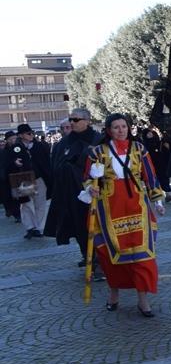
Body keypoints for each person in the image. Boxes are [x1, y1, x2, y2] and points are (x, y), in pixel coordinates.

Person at [85, 114, 166, 315]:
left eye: (124, 126)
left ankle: (143, 299)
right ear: (108, 130)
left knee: (142, 255)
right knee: (110, 255)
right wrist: (90, 188)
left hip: (137, 207)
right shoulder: (98, 152)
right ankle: (114, 293)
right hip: (110, 208)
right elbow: (87, 178)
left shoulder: (139, 149)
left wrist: (158, 200)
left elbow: (151, 176)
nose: (121, 130)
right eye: (116, 127)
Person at [44, 108, 103, 271]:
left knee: (98, 226)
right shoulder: (64, 143)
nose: (72, 123)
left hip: (96, 192)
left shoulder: (99, 140)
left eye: (75, 120)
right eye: (71, 119)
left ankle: (99, 259)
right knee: (78, 227)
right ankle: (87, 256)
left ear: (87, 121)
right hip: (71, 194)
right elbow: (55, 165)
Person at [6, 124, 52, 239]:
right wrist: (15, 163)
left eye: (31, 133)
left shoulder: (39, 146)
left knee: (40, 203)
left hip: (39, 178)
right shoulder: (16, 147)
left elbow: (46, 161)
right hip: (24, 178)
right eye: (28, 133)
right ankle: (30, 227)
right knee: (26, 204)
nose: (31, 135)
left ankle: (40, 228)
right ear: (21, 135)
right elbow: (9, 163)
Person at [0, 130, 20, 223]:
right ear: (7, 140)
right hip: (9, 177)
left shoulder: (19, 147)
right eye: (11, 139)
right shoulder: (4, 151)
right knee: (12, 196)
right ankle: (16, 214)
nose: (13, 140)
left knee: (21, 195)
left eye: (14, 138)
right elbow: (4, 164)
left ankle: (18, 213)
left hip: (20, 175)